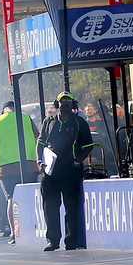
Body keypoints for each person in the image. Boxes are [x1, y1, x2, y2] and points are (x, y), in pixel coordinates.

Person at [37, 92, 94, 251]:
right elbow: (40, 143)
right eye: (62, 101)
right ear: (57, 104)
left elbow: (88, 146)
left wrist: (77, 161)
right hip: (50, 172)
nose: (65, 103)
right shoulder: (48, 121)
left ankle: (71, 241)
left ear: (73, 104)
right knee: (50, 207)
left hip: (71, 171)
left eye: (68, 101)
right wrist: (39, 161)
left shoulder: (79, 122)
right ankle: (52, 240)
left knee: (72, 207)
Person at [0, 100, 40, 243]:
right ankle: (34, 229)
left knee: (11, 198)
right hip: (29, 164)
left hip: (6, 168)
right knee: (30, 197)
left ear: (3, 110)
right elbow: (38, 138)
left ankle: (14, 233)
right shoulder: (26, 118)